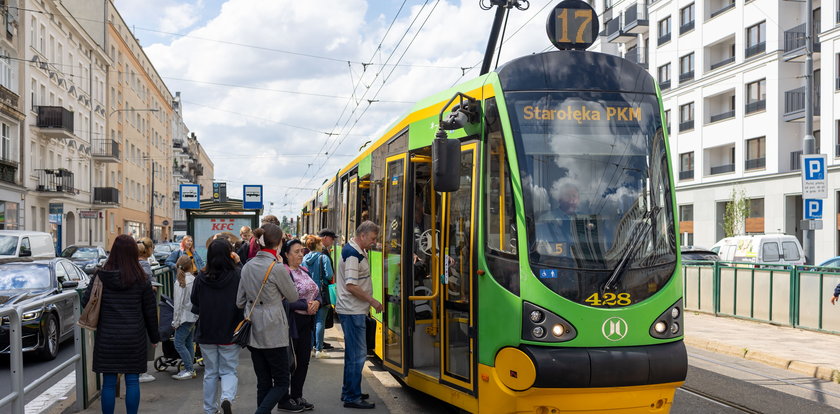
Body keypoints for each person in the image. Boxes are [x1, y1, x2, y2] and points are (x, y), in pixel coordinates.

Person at [81, 235, 160, 414]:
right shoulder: (142, 278)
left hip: (107, 337)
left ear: (114, 252)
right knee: (132, 381)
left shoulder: (100, 276)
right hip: (134, 336)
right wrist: (154, 337)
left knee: (108, 383)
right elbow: (150, 310)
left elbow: (87, 301)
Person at [236, 224, 303, 414]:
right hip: (274, 329)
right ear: (279, 243)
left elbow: (240, 301)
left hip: (253, 328)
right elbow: (293, 297)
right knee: (282, 381)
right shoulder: (277, 267)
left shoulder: (247, 266)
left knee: (263, 381)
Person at [191, 239, 243, 414]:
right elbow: (245, 295)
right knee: (229, 370)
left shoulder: (201, 277)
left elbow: (194, 301)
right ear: (230, 254)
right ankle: (226, 398)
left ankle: (209, 409)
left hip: (206, 332)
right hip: (231, 332)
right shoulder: (237, 275)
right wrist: (239, 263)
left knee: (211, 373)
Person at [336, 221, 383, 409]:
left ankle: (350, 391)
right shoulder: (353, 254)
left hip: (352, 310)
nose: (373, 242)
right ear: (362, 235)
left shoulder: (353, 250)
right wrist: (372, 300)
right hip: (353, 310)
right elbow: (351, 285)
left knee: (352, 355)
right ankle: (352, 397)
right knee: (357, 355)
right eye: (372, 238)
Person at [281, 239, 320, 410]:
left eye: (301, 251)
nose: (300, 254)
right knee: (290, 363)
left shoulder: (304, 270)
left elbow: (317, 292)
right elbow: (283, 302)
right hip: (292, 323)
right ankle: (285, 399)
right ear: (286, 254)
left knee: (304, 361)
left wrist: (317, 302)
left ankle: (297, 395)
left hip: (306, 322)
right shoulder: (284, 272)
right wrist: (306, 305)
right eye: (296, 251)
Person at [303, 235, 333, 358]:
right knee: (320, 321)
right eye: (320, 244)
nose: (322, 246)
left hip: (308, 293)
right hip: (321, 293)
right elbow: (329, 275)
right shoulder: (323, 258)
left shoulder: (304, 258)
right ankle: (319, 350)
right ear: (317, 245)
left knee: (310, 321)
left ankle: (309, 349)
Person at [171, 255, 199, 380]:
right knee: (188, 342)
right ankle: (190, 367)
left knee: (179, 343)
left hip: (183, 317)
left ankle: (189, 369)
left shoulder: (179, 282)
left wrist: (175, 322)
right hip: (193, 316)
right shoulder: (194, 279)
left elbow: (177, 305)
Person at [135, 237, 158, 383]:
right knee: (144, 339)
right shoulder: (145, 266)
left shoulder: (132, 264)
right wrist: (152, 288)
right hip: (142, 308)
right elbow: (146, 286)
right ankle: (140, 372)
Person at [317, 229, 337, 350]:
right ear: (324, 238)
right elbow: (329, 274)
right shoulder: (323, 254)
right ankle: (319, 345)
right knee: (321, 319)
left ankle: (316, 342)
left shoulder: (311, 253)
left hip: (315, 289)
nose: (333, 240)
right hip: (323, 289)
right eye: (332, 238)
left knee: (317, 319)